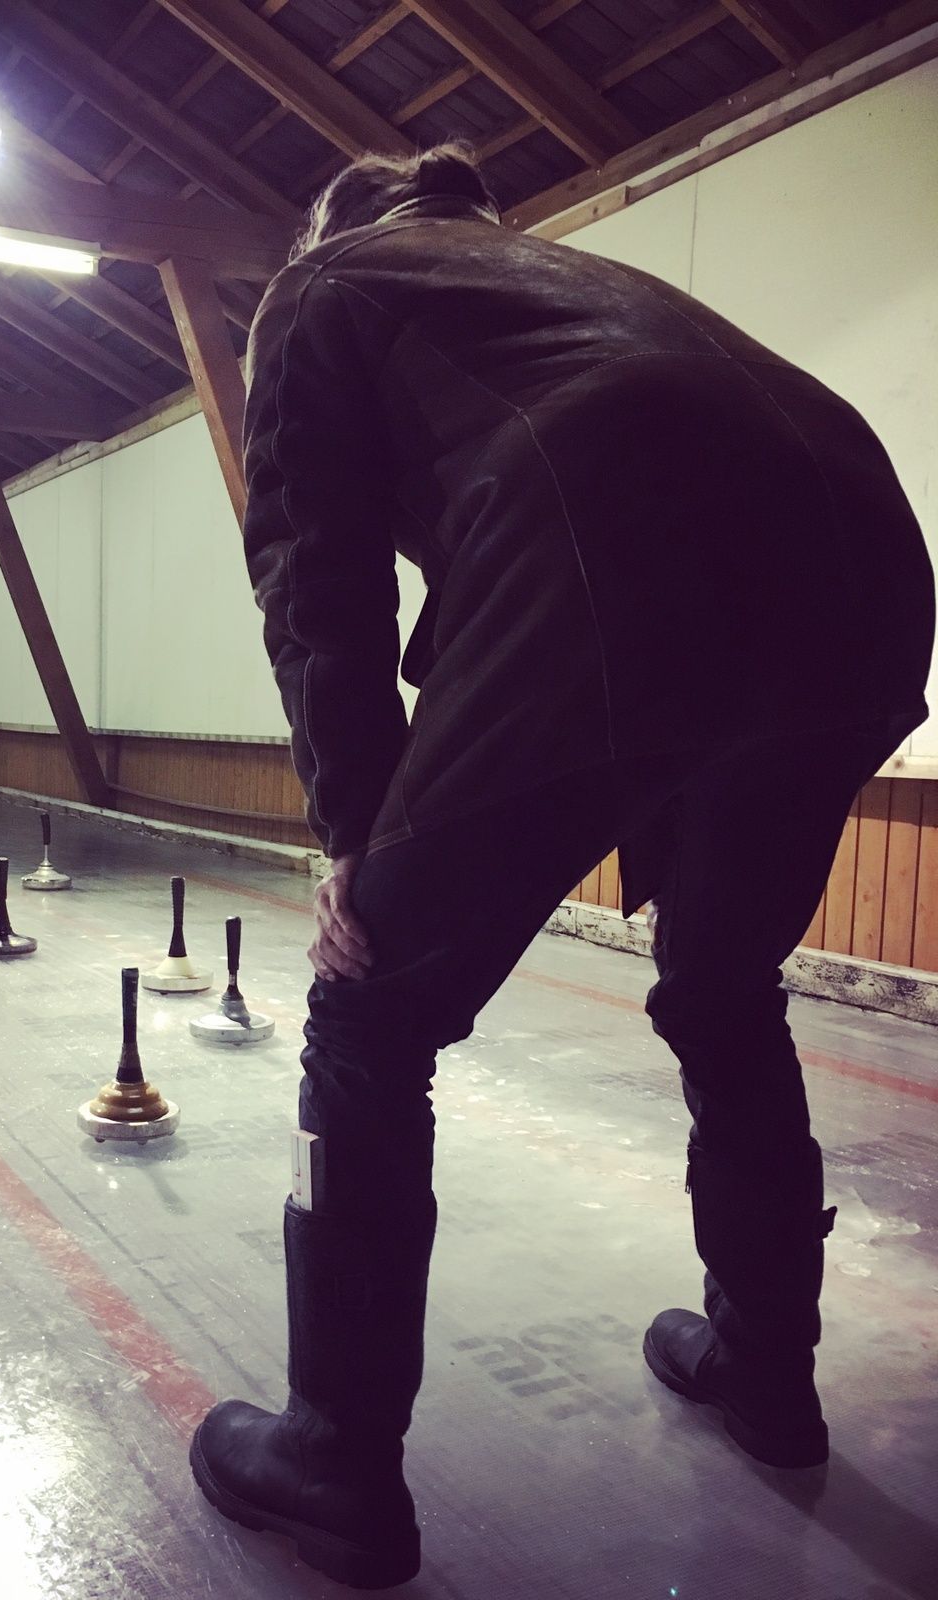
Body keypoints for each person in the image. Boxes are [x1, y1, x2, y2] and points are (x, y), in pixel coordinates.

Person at [186, 142, 936, 1589]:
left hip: (620, 545)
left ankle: (337, 1460)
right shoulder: (555, 280)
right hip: (868, 570)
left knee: (368, 1005)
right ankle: (766, 1369)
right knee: (725, 991)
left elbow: (314, 583)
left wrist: (354, 839)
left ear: (329, 227)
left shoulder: (325, 283)